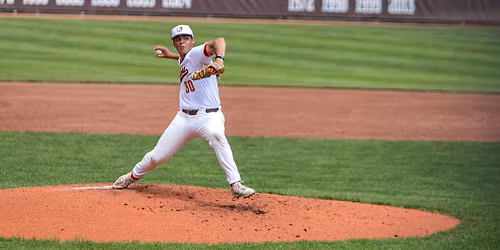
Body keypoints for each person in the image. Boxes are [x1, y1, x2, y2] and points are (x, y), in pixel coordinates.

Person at [112, 24, 255, 198]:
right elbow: (184, 59)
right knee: (156, 157)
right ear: (174, 43)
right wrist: (170, 56)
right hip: (184, 118)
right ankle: (132, 176)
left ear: (193, 40)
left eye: (186, 38)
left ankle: (236, 184)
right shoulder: (185, 57)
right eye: (178, 40)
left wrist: (219, 60)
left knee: (216, 135)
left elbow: (219, 41)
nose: (182, 42)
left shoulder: (197, 53)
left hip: (208, 116)